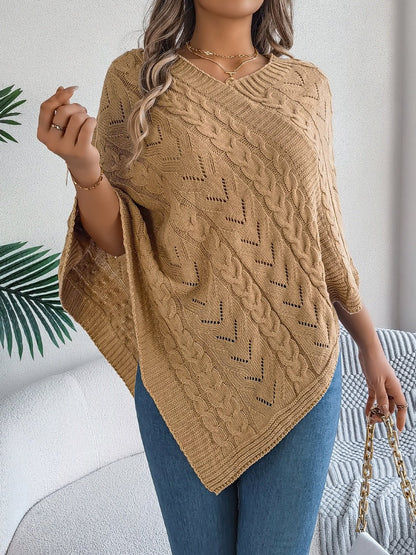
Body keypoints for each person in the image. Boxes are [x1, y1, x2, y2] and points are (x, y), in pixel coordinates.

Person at [36, 1, 408, 553]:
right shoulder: (135, 79)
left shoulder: (308, 87)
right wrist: (85, 169)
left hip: (300, 361)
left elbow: (324, 234)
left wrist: (370, 347)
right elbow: (119, 241)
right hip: (178, 366)